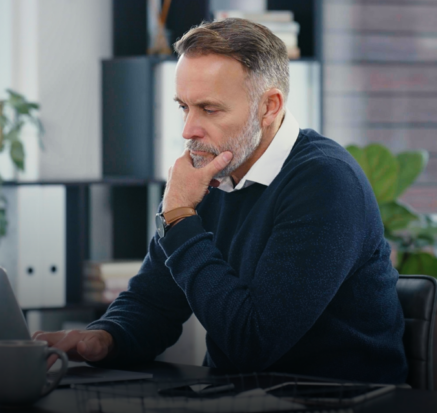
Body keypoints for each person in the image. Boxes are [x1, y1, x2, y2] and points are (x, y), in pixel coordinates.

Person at [34, 18, 408, 384]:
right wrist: (102, 338)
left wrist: (180, 217)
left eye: (209, 109)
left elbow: (253, 343)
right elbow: (153, 303)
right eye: (184, 107)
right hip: (239, 396)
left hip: (339, 401)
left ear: (270, 107)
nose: (188, 130)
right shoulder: (213, 172)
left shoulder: (326, 182)